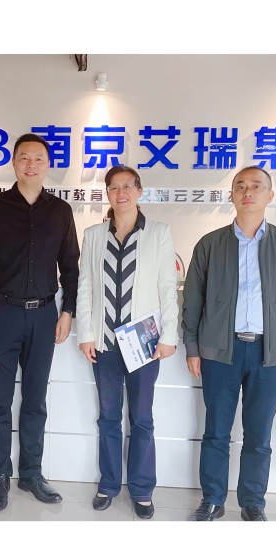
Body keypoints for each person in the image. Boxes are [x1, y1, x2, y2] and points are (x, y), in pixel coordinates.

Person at [182, 165, 276, 521]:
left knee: (258, 433)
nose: (247, 192)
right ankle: (212, 499)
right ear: (232, 195)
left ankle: (253, 503)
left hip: (268, 353)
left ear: (270, 195)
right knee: (216, 431)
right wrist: (192, 347)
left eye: (256, 186)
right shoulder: (210, 244)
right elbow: (193, 299)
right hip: (219, 351)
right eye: (240, 186)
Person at [0, 133, 80, 512]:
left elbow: (71, 267)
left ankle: (31, 473)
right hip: (1, 314)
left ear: (48, 165)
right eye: (24, 158)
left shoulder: (60, 212)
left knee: (35, 400)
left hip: (44, 316)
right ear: (14, 163)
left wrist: (68, 311)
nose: (31, 164)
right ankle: (0, 476)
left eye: (38, 159)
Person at [76, 165, 178, 519]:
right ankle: (108, 484)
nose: (121, 193)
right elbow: (85, 287)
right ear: (107, 193)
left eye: (127, 186)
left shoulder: (158, 233)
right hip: (104, 343)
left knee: (141, 418)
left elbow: (167, 288)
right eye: (114, 187)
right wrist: (85, 334)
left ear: (139, 191)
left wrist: (169, 335)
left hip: (144, 343)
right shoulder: (93, 235)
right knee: (107, 417)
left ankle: (142, 488)